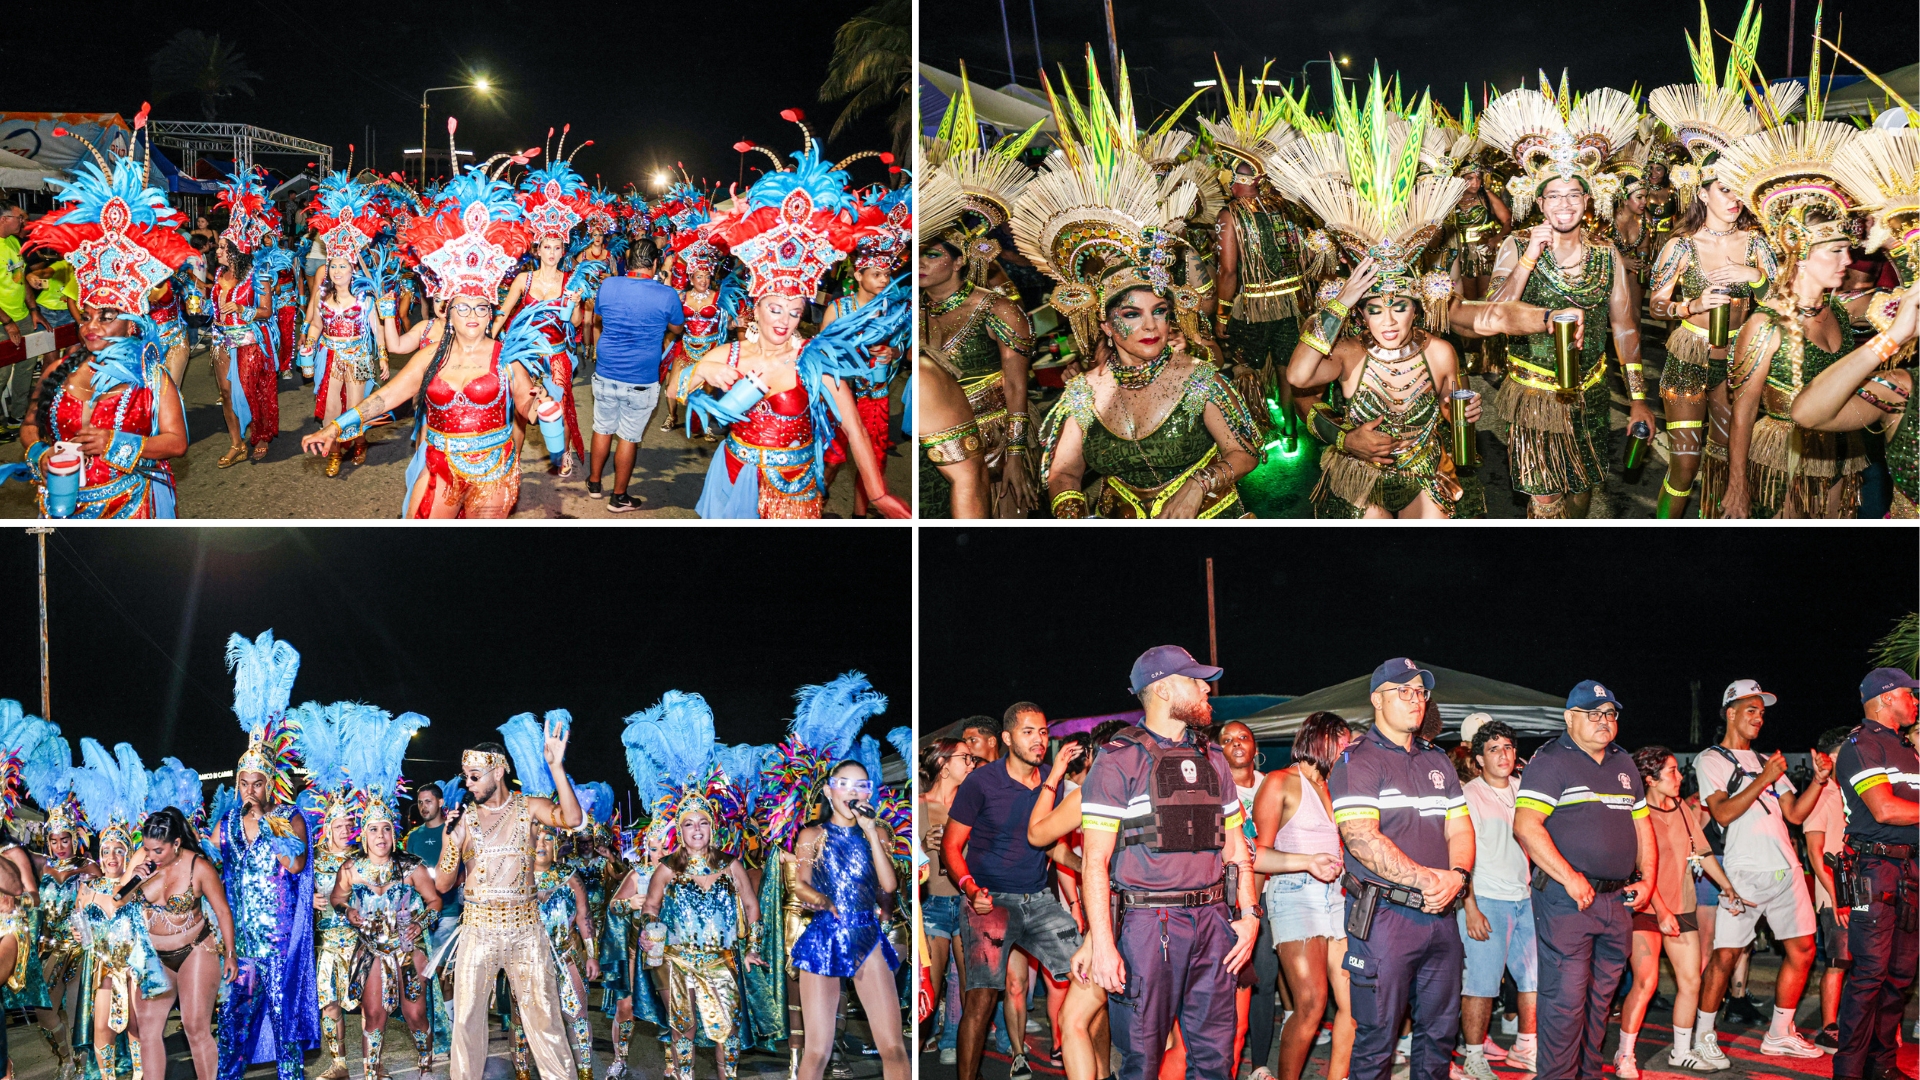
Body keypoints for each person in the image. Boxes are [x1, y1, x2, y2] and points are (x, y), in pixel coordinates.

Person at [300, 154, 564, 518]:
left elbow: (525, 405)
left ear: (491, 312)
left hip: (492, 474)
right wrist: (334, 427)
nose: (472, 315)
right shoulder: (433, 353)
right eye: (463, 307)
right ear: (447, 310)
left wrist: (542, 404)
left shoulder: (505, 355)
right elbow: (387, 397)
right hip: (440, 466)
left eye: (481, 307)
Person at [677, 121, 908, 520]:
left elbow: (854, 429)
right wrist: (702, 373)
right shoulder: (733, 353)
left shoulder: (815, 360)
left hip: (795, 485)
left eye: (796, 310)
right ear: (757, 304)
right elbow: (677, 385)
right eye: (775, 309)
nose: (785, 320)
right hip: (735, 474)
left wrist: (878, 492)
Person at [1076, 646, 1261, 1080]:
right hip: (1147, 925)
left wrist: (1250, 916)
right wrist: (1102, 943)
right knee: (1142, 1060)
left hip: (1215, 922)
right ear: (1160, 689)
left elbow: (1237, 851)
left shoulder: (1214, 758)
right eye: (1194, 679)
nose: (1205, 687)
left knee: (1217, 1059)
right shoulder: (1117, 760)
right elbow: (1095, 862)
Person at [1481, 86, 1658, 517]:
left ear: (1587, 199)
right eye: (1554, 196)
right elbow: (1493, 314)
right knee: (1544, 500)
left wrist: (1637, 399)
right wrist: (1528, 257)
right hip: (1533, 394)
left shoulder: (1605, 253)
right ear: (1538, 202)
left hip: (1591, 392)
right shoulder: (1516, 245)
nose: (1565, 204)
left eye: (1574, 195)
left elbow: (1625, 327)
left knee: (1582, 490)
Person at [16, 150, 194, 516]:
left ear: (132, 324)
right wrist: (40, 453)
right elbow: (30, 424)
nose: (91, 326)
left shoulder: (151, 378)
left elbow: (176, 443)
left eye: (106, 316)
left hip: (130, 505)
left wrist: (115, 442)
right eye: (87, 317)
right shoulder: (59, 370)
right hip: (61, 506)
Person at [1719, 120, 1879, 518]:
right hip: (1784, 463)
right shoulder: (1765, 326)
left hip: (1843, 454)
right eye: (1835, 252)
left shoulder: (1840, 308)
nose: (1848, 261)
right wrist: (1736, 485)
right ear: (1800, 255)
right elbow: (1742, 410)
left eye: (1848, 250)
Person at [1646, 43, 1780, 518]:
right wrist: (1691, 304)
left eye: (1739, 190)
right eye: (1724, 190)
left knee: (1726, 464)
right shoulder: (1680, 246)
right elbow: (1656, 307)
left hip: (1739, 362)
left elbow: (1786, 300)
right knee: (1685, 463)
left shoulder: (1759, 244)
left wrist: (1755, 278)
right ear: (1701, 190)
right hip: (1688, 356)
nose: (1735, 199)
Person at [1327, 659, 1472, 1080]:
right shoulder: (1358, 761)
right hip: (1386, 919)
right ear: (1377, 699)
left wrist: (1459, 875)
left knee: (1440, 1034)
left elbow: (1460, 827)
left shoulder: (1437, 760)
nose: (1416, 700)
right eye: (1403, 691)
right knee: (1377, 1039)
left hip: (1441, 915)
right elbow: (1362, 839)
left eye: (1421, 692)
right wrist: (1430, 879)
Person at [1510, 680, 1655, 1080]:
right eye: (1593, 714)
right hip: (1568, 901)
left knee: (1600, 1002)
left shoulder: (1624, 763)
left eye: (1610, 714)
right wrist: (1569, 877)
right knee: (1565, 1004)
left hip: (1615, 902)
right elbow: (1525, 825)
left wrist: (1648, 880)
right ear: (1570, 718)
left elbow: (1643, 828)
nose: (1604, 721)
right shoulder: (1551, 761)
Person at [434, 717, 583, 1080]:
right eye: (465, 776)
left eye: (474, 776)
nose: (467, 784)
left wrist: (556, 766)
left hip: (526, 931)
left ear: (498, 771)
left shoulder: (529, 808)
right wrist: (450, 841)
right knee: (467, 1023)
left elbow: (573, 817)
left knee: (545, 1018)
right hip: (477, 931)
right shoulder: (464, 820)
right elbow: (442, 884)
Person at [943, 704, 1085, 1080]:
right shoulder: (981, 782)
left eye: (1042, 732)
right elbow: (951, 847)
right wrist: (969, 888)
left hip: (1038, 899)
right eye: (1028, 732)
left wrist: (1085, 865)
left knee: (1088, 980)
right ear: (1006, 738)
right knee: (982, 997)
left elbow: (1051, 844)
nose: (1039, 739)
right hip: (990, 902)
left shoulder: (1050, 786)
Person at [1691, 679, 1827, 1058]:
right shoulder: (1711, 759)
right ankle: (1704, 1036)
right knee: (1726, 955)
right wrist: (1764, 780)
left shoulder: (1767, 760)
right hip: (1745, 872)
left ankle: (1780, 1032)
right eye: (1751, 710)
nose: (1758, 718)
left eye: (1762, 713)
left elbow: (1796, 813)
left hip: (1785, 867)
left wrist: (1817, 781)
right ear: (1730, 712)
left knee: (1802, 949)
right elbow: (1721, 812)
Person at [920, 88, 1039, 517]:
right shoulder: (914, 313)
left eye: (932, 254)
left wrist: (1014, 455)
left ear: (958, 261)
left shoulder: (998, 309)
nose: (920, 264)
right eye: (917, 253)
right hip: (934, 446)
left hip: (994, 442)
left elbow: (1016, 387)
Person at [209, 630, 316, 1080]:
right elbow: (204, 861)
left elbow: (294, 864)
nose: (250, 790)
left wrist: (271, 820)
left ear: (270, 783)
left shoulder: (289, 816)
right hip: (243, 941)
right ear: (236, 784)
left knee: (284, 1023)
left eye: (258, 783)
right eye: (244, 783)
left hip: (280, 940)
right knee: (234, 1023)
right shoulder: (228, 823)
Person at [326, 709, 442, 1080]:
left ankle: (425, 1061)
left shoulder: (411, 866)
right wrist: (348, 913)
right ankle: (373, 1073)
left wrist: (419, 924)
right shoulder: (351, 868)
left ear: (393, 834)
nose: (380, 836)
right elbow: (337, 898)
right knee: (373, 1013)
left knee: (414, 1013)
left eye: (386, 830)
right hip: (371, 947)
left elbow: (435, 901)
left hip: (408, 948)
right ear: (364, 835)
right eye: (373, 829)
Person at [1619, 746, 1742, 1075]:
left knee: (1690, 982)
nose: (1679, 777)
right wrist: (1660, 910)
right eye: (1671, 771)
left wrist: (1727, 886)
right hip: (1645, 908)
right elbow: (1642, 871)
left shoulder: (1681, 809)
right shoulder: (1636, 813)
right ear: (1650, 778)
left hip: (1682, 908)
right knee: (1645, 983)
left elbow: (1702, 853)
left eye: (1677, 770)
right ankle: (1625, 1054)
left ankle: (1681, 1051)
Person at [639, 767, 767, 1080]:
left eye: (703, 822)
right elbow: (651, 906)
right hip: (676, 959)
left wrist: (752, 948)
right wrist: (648, 930)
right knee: (683, 1026)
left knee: (729, 1028)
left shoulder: (730, 865)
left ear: (712, 826)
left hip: (721, 959)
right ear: (679, 830)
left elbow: (752, 907)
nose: (696, 829)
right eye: (688, 824)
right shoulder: (668, 867)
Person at [1251, 712, 1356, 1080]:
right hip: (1294, 894)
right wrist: (1307, 861)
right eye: (1342, 741)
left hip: (1338, 898)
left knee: (1354, 1003)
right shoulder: (1279, 782)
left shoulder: (1337, 786)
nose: (1347, 748)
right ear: (1318, 738)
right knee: (1312, 1003)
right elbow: (1256, 856)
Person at [790, 760, 908, 1080]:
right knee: (817, 1051)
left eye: (861, 785)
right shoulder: (812, 835)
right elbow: (799, 885)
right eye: (844, 784)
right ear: (829, 792)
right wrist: (822, 900)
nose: (853, 791)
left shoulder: (878, 832)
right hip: (824, 937)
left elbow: (889, 885)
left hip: (867, 934)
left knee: (894, 1047)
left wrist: (870, 830)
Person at [1829, 667, 1919, 1080]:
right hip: (1875, 868)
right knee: (1868, 974)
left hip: (1908, 869)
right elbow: (1885, 809)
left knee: (1899, 975)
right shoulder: (1861, 745)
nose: (1916, 701)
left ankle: (1881, 1066)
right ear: (1885, 698)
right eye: (1909, 694)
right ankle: (1848, 1071)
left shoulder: (1904, 748)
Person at [1206, 78, 1310, 430]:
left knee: (1246, 366)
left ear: (1248, 179)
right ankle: (1291, 434)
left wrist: (1221, 315)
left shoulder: (1229, 214)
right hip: (1292, 305)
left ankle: (1255, 435)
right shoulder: (1288, 209)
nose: (1227, 182)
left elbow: (1228, 273)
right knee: (1286, 366)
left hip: (1253, 307)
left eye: (1233, 175)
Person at [65, 750, 169, 1080]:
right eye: (106, 851)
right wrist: (77, 933)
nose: (111, 856)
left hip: (137, 966)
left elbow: (118, 903)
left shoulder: (137, 882)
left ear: (128, 854)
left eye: (119, 850)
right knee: (102, 1029)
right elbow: (75, 923)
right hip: (103, 968)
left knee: (138, 1028)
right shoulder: (88, 884)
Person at [1455, 722, 1538, 1080]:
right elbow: (1460, 854)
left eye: (1507, 747)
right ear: (1478, 760)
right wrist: (1469, 906)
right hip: (1486, 899)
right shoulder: (1469, 795)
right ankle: (1473, 1055)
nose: (1503, 754)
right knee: (1481, 985)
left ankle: (1525, 1046)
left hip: (1525, 898)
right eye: (1493, 749)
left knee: (1533, 980)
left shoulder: (1525, 790)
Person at [821, 183, 910, 518]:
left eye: (887, 273)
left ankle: (860, 516)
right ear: (858, 275)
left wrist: (893, 353)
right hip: (840, 397)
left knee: (872, 464)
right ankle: (816, 503)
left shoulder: (894, 310)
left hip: (875, 398)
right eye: (876, 274)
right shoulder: (839, 309)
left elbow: (902, 347)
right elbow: (821, 355)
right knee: (832, 459)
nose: (884, 280)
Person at [504, 158, 595, 474]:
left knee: (560, 405)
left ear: (563, 249)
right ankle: (514, 458)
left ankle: (564, 453)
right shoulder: (523, 280)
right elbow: (503, 313)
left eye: (557, 247)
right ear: (538, 249)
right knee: (520, 409)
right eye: (547, 247)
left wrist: (572, 305)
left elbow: (576, 324)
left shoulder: (573, 281)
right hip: (526, 356)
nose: (552, 252)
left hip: (557, 355)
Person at [300, 175, 390, 475]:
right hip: (331, 356)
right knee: (329, 407)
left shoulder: (364, 299)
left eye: (344, 267)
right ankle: (335, 450)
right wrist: (309, 343)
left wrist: (384, 357)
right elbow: (314, 325)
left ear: (353, 270)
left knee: (357, 407)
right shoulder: (322, 295)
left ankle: (360, 443)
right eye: (334, 266)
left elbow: (377, 329)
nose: (338, 271)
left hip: (360, 357)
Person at [586, 237, 681, 510]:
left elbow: (600, 315)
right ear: (654, 263)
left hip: (606, 371)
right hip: (640, 378)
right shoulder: (666, 294)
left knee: (601, 427)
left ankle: (594, 483)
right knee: (628, 436)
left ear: (629, 261)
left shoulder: (609, 284)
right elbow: (676, 329)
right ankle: (618, 497)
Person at [209, 173, 283, 465]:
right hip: (220, 341)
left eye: (222, 248)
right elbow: (215, 307)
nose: (217, 251)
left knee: (253, 393)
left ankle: (261, 435)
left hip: (249, 341)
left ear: (236, 252)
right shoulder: (217, 275)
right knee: (226, 394)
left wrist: (241, 310)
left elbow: (266, 311)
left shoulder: (258, 275)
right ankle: (237, 443)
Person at [919, 738, 977, 1065]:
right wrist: (923, 844)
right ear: (943, 765)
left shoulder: (972, 805)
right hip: (932, 906)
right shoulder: (917, 805)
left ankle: (968, 1062)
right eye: (965, 758)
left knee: (973, 990)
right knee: (929, 988)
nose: (971, 764)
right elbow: (903, 864)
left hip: (967, 904)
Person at [1797, 726, 1855, 1052]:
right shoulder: (1820, 795)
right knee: (1838, 961)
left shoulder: (1853, 792)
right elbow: (1816, 855)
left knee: (1864, 962)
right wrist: (1836, 899)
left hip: (1861, 890)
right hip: (1835, 894)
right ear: (1830, 757)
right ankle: (1829, 1028)